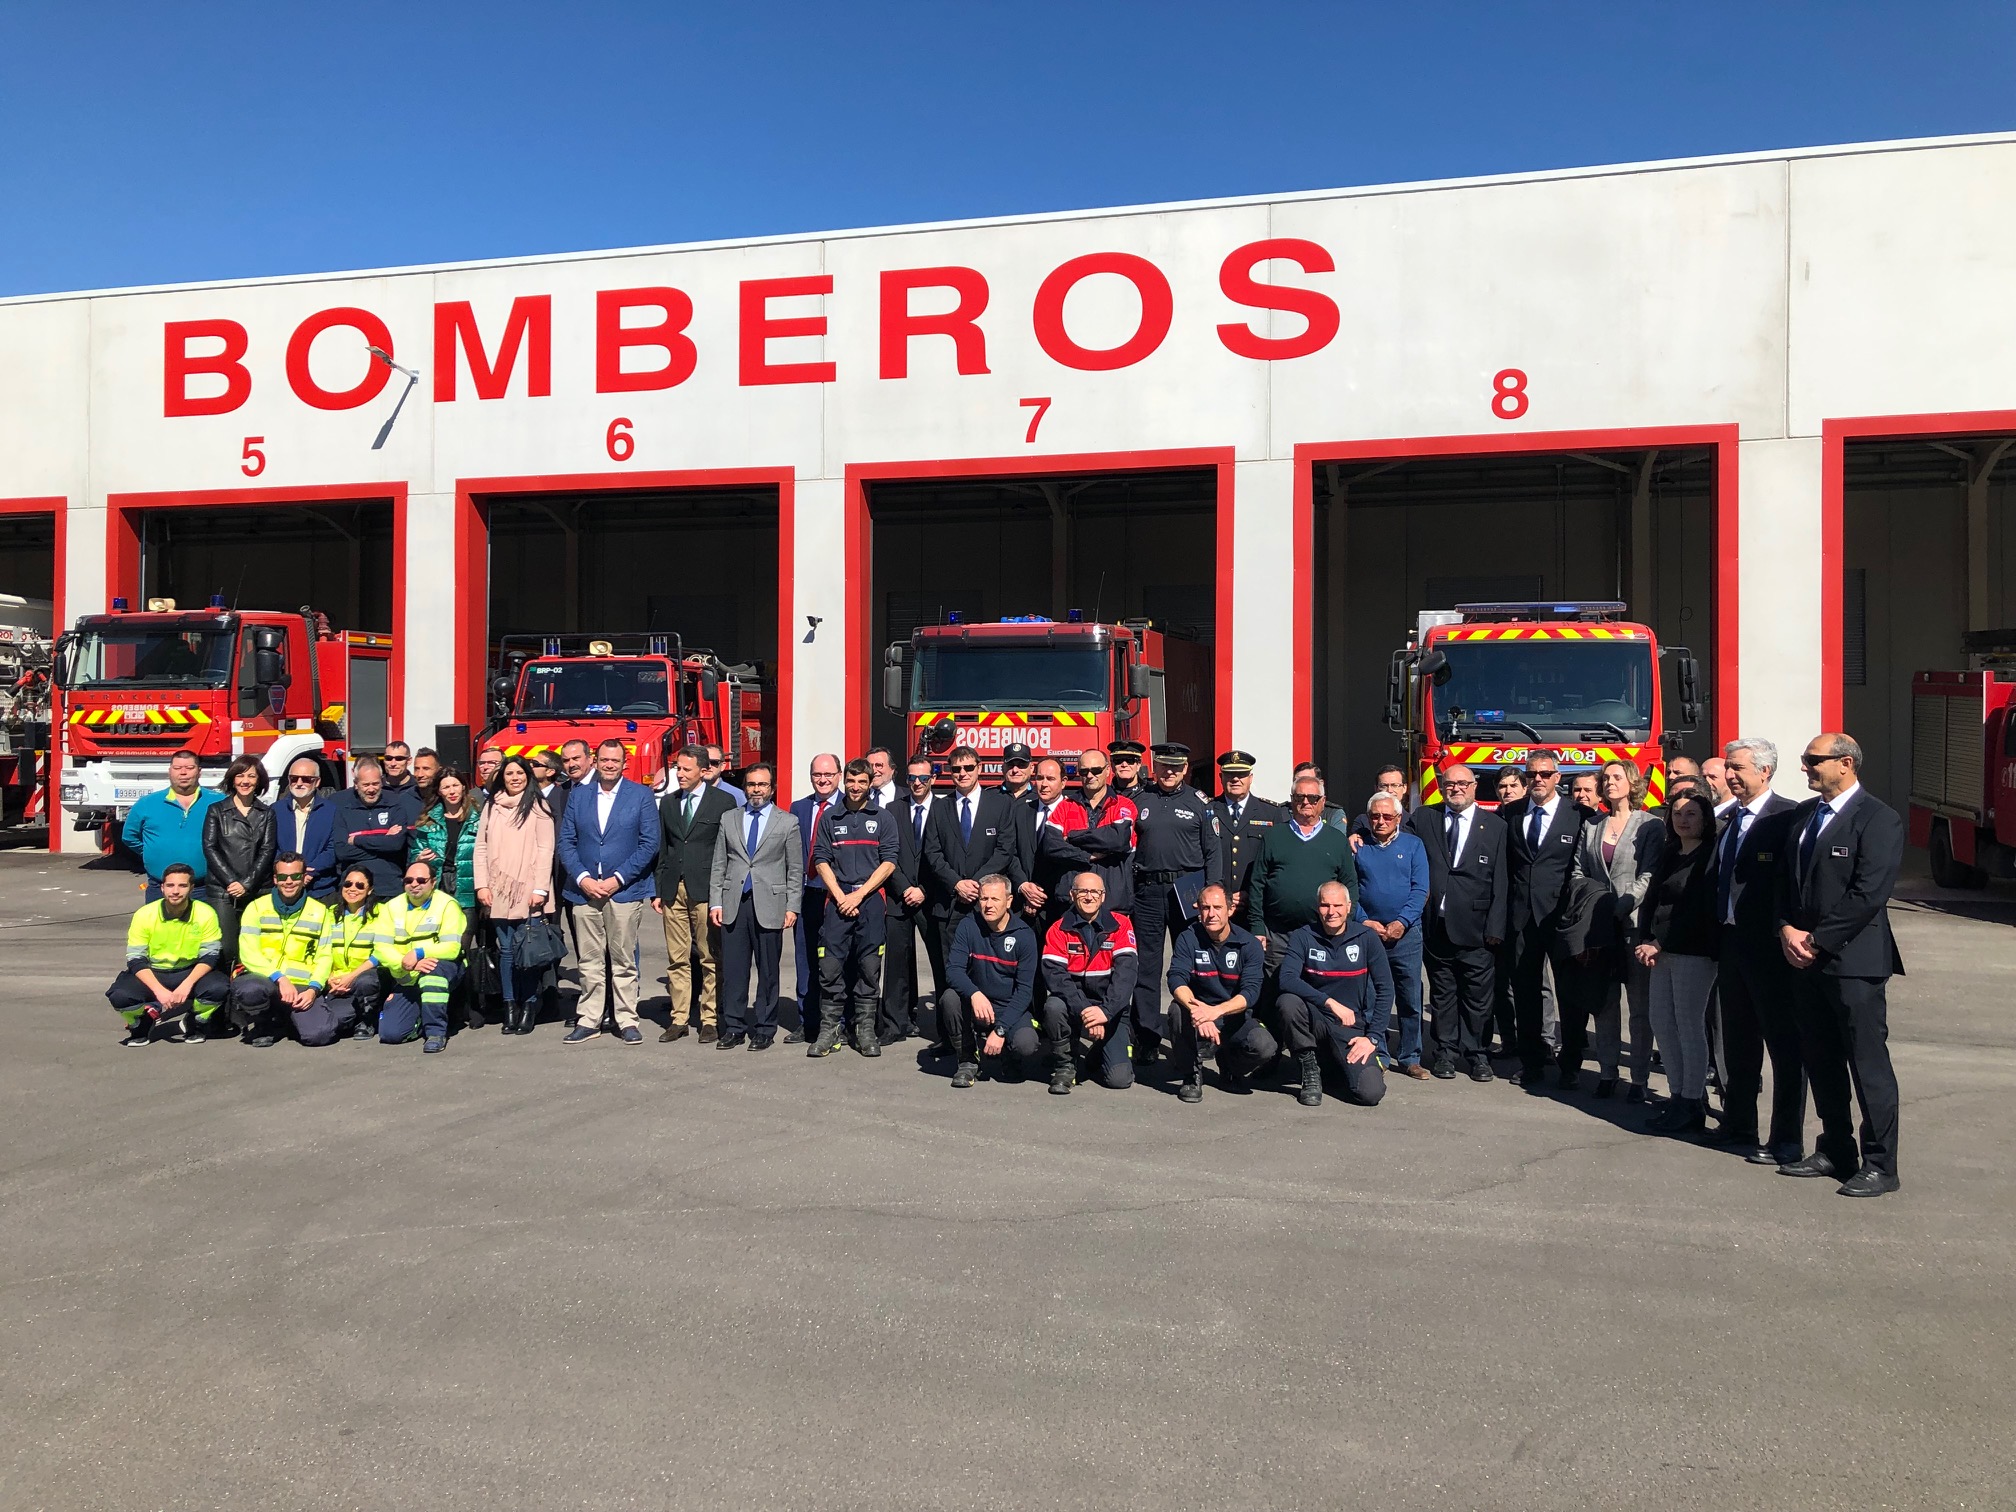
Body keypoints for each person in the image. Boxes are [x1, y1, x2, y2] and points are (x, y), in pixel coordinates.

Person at [1775, 733, 1905, 1197]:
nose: (1806, 767)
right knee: (1822, 1059)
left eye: (1813, 760)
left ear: (1845, 764)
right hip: (1805, 961)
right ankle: (1836, 1148)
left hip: (1854, 964)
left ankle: (1880, 1165)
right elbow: (1785, 884)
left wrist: (1819, 940)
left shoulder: (1878, 819)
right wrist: (1787, 927)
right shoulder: (1804, 816)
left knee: (1867, 1064)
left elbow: (1868, 893)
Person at [1714, 736, 1807, 1164]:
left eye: (1738, 768)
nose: (1729, 775)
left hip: (1771, 950)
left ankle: (1785, 1138)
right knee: (1738, 1042)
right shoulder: (1731, 817)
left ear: (1764, 771)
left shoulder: (1788, 816)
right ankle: (1739, 1124)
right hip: (1731, 945)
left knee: (1785, 1046)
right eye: (1728, 768)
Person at [1562, 759, 1663, 1097]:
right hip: (1599, 928)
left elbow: (1649, 875)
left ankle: (1639, 1079)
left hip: (1633, 925)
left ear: (1631, 783)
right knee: (1604, 1003)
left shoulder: (1650, 826)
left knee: (1639, 1007)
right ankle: (1607, 1074)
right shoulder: (1592, 825)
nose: (1609, 783)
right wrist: (1595, 907)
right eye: (1605, 778)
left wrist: (1621, 906)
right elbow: (1578, 872)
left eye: (1617, 777)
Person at [1406, 765, 1509, 1081]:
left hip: (1477, 929)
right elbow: (1392, 833)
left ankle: (1477, 1054)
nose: (1456, 789)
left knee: (1478, 999)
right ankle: (1445, 1053)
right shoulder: (1425, 817)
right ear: (1441, 786)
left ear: (1475, 786)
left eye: (1463, 783)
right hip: (1436, 926)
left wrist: (1495, 927)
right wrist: (1357, 832)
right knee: (1442, 995)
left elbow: (1502, 882)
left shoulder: (1495, 826)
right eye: (1449, 784)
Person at [558, 739, 660, 1045]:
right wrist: (583, 877)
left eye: (615, 760)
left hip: (624, 891)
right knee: (588, 961)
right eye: (604, 760)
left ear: (624, 763)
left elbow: (649, 843)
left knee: (623, 960)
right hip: (585, 891)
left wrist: (618, 878)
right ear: (595, 761)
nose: (609, 765)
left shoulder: (641, 795)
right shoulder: (579, 796)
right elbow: (566, 841)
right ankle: (589, 1019)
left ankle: (626, 1018)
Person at [1128, 743, 1222, 1064]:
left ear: (1185, 770)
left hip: (1188, 889)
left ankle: (1200, 1031)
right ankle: (1148, 1037)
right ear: (1155, 767)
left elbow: (1213, 852)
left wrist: (1212, 894)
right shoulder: (1139, 799)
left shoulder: (1200, 803)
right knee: (1147, 968)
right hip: (1149, 891)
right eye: (1163, 767)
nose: (1169, 772)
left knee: (1196, 965)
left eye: (1176, 768)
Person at [1634, 792, 1720, 1133]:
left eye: (1692, 814)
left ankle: (1692, 1101)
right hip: (1660, 951)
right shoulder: (1669, 852)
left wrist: (1659, 941)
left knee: (1689, 1025)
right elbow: (1652, 900)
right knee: (1662, 1023)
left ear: (1705, 819)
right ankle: (1676, 1095)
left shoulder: (1709, 855)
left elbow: (1697, 909)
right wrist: (1644, 938)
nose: (1683, 819)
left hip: (1692, 951)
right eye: (1677, 813)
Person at [1501, 752, 1583, 1087]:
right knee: (1526, 993)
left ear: (1557, 777)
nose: (1538, 779)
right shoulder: (1511, 813)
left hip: (1561, 917)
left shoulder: (1580, 815)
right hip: (1522, 917)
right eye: (1532, 774)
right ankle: (1532, 1062)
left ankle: (1571, 1065)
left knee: (1569, 993)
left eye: (1545, 774)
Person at [810, 757, 900, 1057]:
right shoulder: (830, 817)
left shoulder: (883, 818)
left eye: (862, 781)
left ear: (870, 782)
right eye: (851, 780)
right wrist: (839, 895)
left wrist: (859, 895)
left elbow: (889, 862)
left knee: (869, 968)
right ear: (844, 780)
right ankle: (829, 1032)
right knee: (830, 968)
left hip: (870, 901)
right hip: (837, 902)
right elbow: (820, 859)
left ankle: (865, 1031)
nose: (856, 787)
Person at [1276, 881, 1391, 1110]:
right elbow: (1286, 979)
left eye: (1337, 905)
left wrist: (1373, 1038)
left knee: (1370, 1093)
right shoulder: (1303, 936)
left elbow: (1386, 989)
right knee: (1287, 1002)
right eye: (1325, 905)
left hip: (1350, 1026)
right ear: (1317, 907)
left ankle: (1332, 1066)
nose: (1331, 912)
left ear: (1349, 907)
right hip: (1315, 1020)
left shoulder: (1366, 937)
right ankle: (1309, 1069)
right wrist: (1329, 1003)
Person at [709, 763, 801, 1050]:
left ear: (771, 788)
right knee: (735, 970)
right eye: (751, 784)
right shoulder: (729, 819)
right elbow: (719, 864)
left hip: (771, 903)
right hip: (734, 902)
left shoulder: (787, 822)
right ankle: (734, 1027)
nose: (756, 790)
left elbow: (795, 869)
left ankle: (764, 1027)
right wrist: (715, 901)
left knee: (768, 971)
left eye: (762, 784)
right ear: (745, 787)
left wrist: (792, 907)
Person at [1242, 773, 1359, 999]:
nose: (1306, 802)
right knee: (1276, 990)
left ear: (1322, 803)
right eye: (1300, 797)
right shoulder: (1274, 836)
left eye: (1313, 798)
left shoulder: (1336, 840)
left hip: (1321, 933)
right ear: (1292, 800)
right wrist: (1257, 927)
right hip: (1278, 933)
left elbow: (1350, 884)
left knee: (1319, 989)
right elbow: (1257, 884)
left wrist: (1346, 922)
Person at [922, 744, 1021, 1001]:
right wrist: (956, 884)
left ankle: (988, 1031)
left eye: (968, 767)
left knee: (987, 972)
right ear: (949, 772)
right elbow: (932, 853)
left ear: (979, 768)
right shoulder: (939, 808)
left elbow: (1005, 851)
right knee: (949, 973)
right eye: (956, 769)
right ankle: (952, 1036)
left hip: (987, 904)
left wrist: (976, 884)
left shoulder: (1000, 804)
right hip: (950, 904)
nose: (963, 773)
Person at [653, 744, 737, 1043]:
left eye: (686, 769)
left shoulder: (723, 802)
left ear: (703, 771)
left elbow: (729, 850)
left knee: (709, 956)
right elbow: (664, 848)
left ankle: (710, 1018)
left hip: (706, 889)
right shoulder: (669, 804)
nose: (679, 773)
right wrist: (659, 888)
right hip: (673, 889)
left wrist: (723, 893)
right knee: (677, 958)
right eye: (677, 767)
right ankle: (679, 1019)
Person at [1166, 883, 1274, 1103]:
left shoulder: (1249, 944)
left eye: (1217, 907)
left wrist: (1215, 1012)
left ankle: (1230, 1065)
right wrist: (1198, 1011)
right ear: (1198, 910)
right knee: (1176, 1011)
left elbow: (1250, 992)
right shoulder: (1188, 938)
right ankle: (1191, 1074)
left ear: (1230, 909)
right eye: (1205, 908)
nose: (1211, 914)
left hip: (1233, 1015)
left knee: (1265, 1046)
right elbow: (1176, 978)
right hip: (1197, 1012)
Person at [473, 754, 557, 1036]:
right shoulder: (492, 806)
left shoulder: (538, 805)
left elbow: (546, 848)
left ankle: (530, 1006)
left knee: (528, 953)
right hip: (498, 890)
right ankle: (510, 1007)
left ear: (527, 776)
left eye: (519, 773)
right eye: (509, 773)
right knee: (507, 951)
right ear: (502, 777)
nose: (514, 778)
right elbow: (481, 847)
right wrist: (482, 885)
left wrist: (540, 889)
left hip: (529, 889)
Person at [1039, 871, 1140, 1094]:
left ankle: (1100, 1050)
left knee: (1119, 1080)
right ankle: (1065, 1065)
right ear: (1072, 895)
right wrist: (1085, 1010)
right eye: (1083, 891)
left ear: (1103, 896)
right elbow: (1055, 977)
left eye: (1095, 891)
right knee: (1053, 1006)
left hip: (1110, 1007)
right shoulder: (1058, 929)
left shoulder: (1121, 925)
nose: (1089, 896)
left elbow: (1127, 975)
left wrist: (1105, 1011)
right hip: (1074, 1004)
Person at [1354, 791, 1430, 1076]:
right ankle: (1379, 1053)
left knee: (1410, 996)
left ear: (1399, 818)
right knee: (1372, 997)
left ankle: (1411, 1057)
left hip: (1406, 933)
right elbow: (1350, 889)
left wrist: (1402, 922)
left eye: (1387, 816)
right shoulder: (1358, 846)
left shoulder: (1413, 845)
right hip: (1370, 934)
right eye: (1375, 816)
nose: (1381, 821)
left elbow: (1420, 888)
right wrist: (1364, 921)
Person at [107, 862, 226, 1044]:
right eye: (170, 885)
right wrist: (159, 992)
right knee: (120, 995)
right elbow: (136, 959)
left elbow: (210, 956)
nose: (175, 891)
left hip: (189, 970)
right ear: (162, 888)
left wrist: (186, 985)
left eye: (182, 885)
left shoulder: (205, 913)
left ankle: (195, 1020)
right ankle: (140, 1023)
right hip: (153, 971)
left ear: (192, 888)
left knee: (219, 988)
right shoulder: (144, 914)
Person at [941, 873, 1042, 1087]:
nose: (988, 905)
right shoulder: (969, 925)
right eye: (983, 899)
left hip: (1009, 1006)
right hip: (979, 1004)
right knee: (949, 999)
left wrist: (1001, 1029)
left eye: (995, 899)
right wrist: (975, 994)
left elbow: (1024, 991)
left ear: (1009, 901)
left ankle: (1009, 1055)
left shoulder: (1024, 935)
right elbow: (953, 970)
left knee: (1027, 1044)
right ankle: (967, 1060)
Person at [229, 851, 337, 1048]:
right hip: (266, 980)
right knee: (251, 990)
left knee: (320, 1035)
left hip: (302, 986)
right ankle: (264, 1022)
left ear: (305, 878)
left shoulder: (320, 911)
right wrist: (279, 977)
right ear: (275, 879)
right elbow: (248, 952)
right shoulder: (255, 907)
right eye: (283, 877)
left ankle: (287, 1019)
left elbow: (325, 955)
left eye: (296, 876)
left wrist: (314, 989)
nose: (289, 881)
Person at [882, 755, 942, 1045]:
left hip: (933, 898)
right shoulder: (893, 809)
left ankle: (946, 1028)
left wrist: (924, 890)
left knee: (941, 963)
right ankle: (896, 1023)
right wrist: (905, 887)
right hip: (899, 896)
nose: (917, 783)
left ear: (933, 779)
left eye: (923, 778)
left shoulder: (945, 809)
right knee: (896, 963)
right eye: (912, 778)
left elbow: (946, 855)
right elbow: (887, 855)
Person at [378, 859, 467, 1054]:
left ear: (433, 882)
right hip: (407, 974)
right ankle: (421, 1017)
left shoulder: (447, 905)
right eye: (409, 880)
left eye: (421, 879)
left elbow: (452, 948)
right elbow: (381, 948)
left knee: (432, 974)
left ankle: (435, 1032)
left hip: (441, 967)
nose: (414, 884)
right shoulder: (391, 907)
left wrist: (419, 953)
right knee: (390, 1034)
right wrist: (404, 962)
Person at [201, 755, 276, 971]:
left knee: (256, 948)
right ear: (232, 779)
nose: (245, 781)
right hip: (223, 891)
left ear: (259, 781)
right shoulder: (216, 810)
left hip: (257, 890)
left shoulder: (267, 813)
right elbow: (210, 847)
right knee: (226, 949)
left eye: (251, 776)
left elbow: (267, 850)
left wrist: (247, 884)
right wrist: (232, 882)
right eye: (240, 775)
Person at [790, 754, 843, 1044]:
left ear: (839, 775)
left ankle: (839, 1021)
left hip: (837, 896)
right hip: (806, 893)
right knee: (805, 959)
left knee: (838, 960)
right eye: (817, 775)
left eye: (828, 774)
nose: (823, 780)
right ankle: (807, 1021)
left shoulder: (850, 807)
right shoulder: (798, 808)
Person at [121, 749, 223, 897]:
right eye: (177, 768)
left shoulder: (218, 802)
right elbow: (129, 837)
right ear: (169, 771)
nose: (183, 773)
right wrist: (151, 851)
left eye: (189, 768)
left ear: (199, 771)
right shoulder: (147, 803)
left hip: (205, 888)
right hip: (160, 888)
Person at [332, 757, 419, 900]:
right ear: (356, 784)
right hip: (354, 889)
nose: (371, 789)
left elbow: (396, 844)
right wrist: (383, 844)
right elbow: (342, 851)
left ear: (382, 781)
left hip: (389, 888)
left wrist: (357, 840)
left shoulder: (395, 804)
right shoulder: (343, 809)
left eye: (375, 784)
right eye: (366, 785)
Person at [1209, 750, 1284, 916]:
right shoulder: (1208, 810)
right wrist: (1221, 896)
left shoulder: (1270, 813)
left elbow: (1277, 862)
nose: (1235, 779)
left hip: (1257, 906)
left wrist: (1253, 894)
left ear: (1250, 778)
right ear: (1221, 777)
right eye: (1230, 774)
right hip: (1218, 907)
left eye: (1241, 774)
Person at [327, 864, 391, 1042]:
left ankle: (367, 1020)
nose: (352, 889)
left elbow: (381, 952)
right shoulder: (329, 914)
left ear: (370, 890)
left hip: (367, 977)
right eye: (348, 884)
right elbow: (322, 950)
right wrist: (329, 977)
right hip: (338, 982)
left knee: (366, 982)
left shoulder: (382, 913)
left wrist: (351, 976)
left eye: (360, 885)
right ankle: (353, 1015)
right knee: (335, 1022)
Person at [278, 756, 338, 897]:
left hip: (320, 889)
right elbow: (271, 848)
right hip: (284, 887)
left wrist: (311, 871)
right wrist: (289, 872)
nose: (299, 783)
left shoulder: (332, 811)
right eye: (294, 778)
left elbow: (333, 848)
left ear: (317, 782)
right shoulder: (276, 810)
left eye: (306, 779)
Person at [1347, 764, 1411, 846]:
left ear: (1405, 788)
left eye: (1395, 785)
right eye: (1384, 786)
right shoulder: (1363, 821)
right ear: (1376, 788)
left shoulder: (1412, 822)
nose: (1389, 790)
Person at [865, 746, 900, 812]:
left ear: (892, 769)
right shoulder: (859, 797)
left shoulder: (907, 797)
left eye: (879, 765)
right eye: (870, 766)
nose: (874, 770)